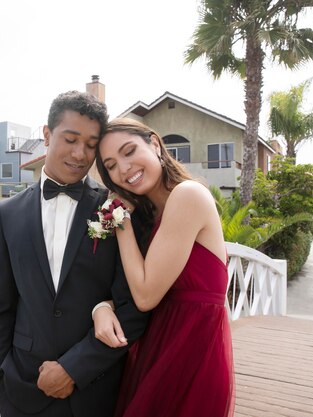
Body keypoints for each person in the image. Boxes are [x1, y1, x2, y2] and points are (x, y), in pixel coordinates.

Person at [0, 92, 149, 417]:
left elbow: (134, 308)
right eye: (70, 139)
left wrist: (75, 368)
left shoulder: (115, 208)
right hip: (20, 393)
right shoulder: (8, 214)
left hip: (97, 392)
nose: (80, 154)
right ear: (47, 135)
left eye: (91, 144)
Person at [92, 118, 235, 417]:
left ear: (155, 144)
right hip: (159, 346)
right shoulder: (150, 214)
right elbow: (134, 284)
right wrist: (103, 306)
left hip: (191, 353)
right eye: (111, 165)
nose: (124, 168)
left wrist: (119, 219)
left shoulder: (187, 195)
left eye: (129, 151)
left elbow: (145, 296)